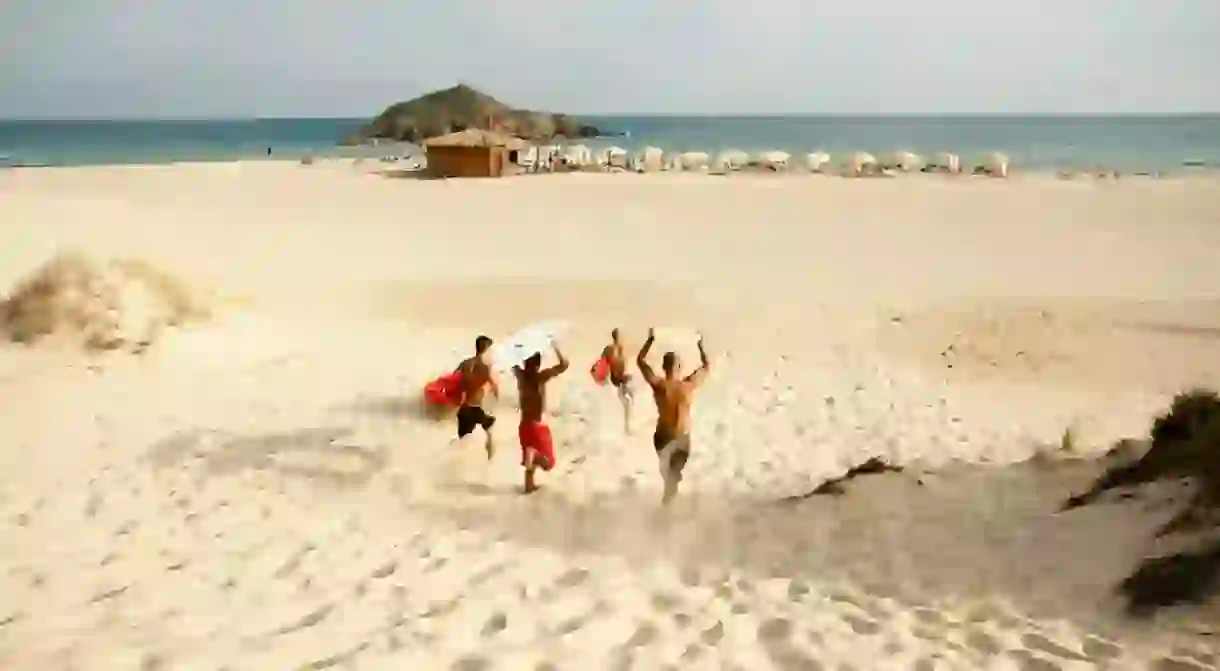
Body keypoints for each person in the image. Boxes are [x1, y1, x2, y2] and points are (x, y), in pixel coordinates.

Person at [636, 328, 711, 505]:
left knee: (670, 476)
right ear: (679, 367)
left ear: (663, 367)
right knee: (674, 475)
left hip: (663, 435)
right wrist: (700, 346)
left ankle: (668, 500)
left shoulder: (659, 385)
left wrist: (650, 341)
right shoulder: (688, 385)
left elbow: (640, 361)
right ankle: (669, 502)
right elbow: (707, 366)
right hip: (681, 437)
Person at [514, 342, 570, 493]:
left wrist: (517, 350)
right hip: (536, 425)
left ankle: (529, 486)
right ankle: (533, 453)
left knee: (529, 466)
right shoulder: (540, 377)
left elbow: (512, 364)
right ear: (538, 364)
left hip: (523, 425)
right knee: (549, 463)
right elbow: (564, 365)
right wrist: (555, 346)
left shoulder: (520, 375)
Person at [454, 335, 500, 459]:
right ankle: (490, 461)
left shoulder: (465, 363)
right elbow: (495, 388)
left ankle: (452, 463)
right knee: (490, 430)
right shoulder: (485, 368)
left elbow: (453, 379)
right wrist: (497, 401)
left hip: (463, 410)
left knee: (462, 441)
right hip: (474, 409)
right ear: (485, 349)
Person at [592, 328, 634, 433]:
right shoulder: (610, 349)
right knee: (627, 401)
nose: (622, 338)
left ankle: (627, 425)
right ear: (616, 337)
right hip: (615, 379)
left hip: (620, 378)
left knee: (629, 399)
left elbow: (620, 364)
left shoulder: (620, 349)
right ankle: (625, 426)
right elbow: (602, 362)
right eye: (620, 336)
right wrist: (600, 374)